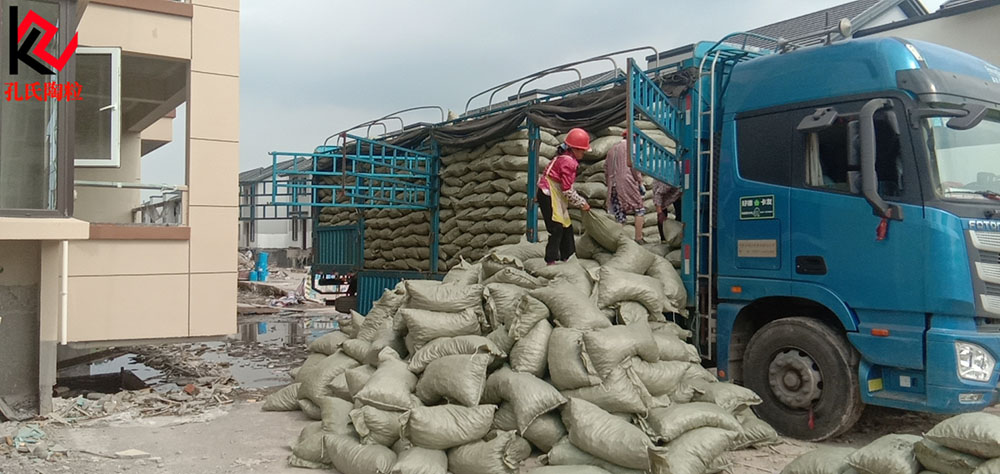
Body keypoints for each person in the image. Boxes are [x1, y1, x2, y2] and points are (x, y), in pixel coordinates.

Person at [537, 128, 591, 264]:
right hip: (549, 194)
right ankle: (551, 260)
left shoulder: (562, 158)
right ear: (575, 149)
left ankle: (568, 257)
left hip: (554, 194)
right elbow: (567, 190)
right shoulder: (568, 162)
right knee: (556, 228)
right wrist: (582, 203)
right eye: (582, 151)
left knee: (567, 226)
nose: (583, 153)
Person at [605, 131, 647, 243]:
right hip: (626, 182)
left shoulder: (611, 150)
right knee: (639, 208)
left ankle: (618, 240)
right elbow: (634, 166)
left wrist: (608, 183)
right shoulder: (631, 148)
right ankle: (638, 238)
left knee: (620, 214)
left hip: (613, 185)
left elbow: (606, 168)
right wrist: (640, 181)